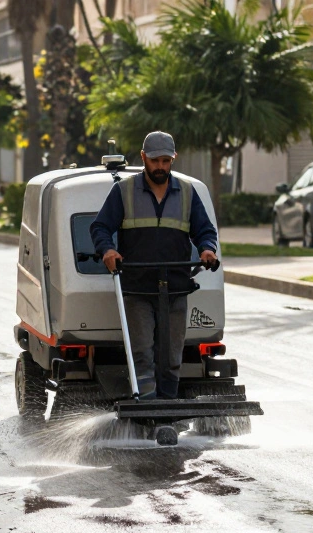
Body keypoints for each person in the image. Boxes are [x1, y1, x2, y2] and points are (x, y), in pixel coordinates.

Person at [90, 130, 220, 400]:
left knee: (172, 353)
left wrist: (208, 249)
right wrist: (108, 249)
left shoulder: (186, 192)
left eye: (165, 161)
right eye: (154, 161)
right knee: (142, 351)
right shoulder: (124, 191)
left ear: (173, 159)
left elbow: (204, 229)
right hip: (138, 286)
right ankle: (146, 407)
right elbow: (100, 226)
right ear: (143, 158)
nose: (160, 167)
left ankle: (167, 406)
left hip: (176, 285)